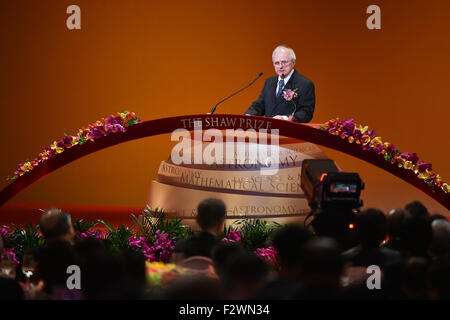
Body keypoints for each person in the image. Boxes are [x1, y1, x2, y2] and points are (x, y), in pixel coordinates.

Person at [245, 45, 315, 123]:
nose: (280, 66)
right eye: (277, 63)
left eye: (284, 62)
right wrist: (248, 115)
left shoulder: (305, 84)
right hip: (269, 132)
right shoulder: (269, 82)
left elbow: (306, 112)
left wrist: (285, 118)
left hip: (289, 131)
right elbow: (260, 105)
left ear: (293, 62)